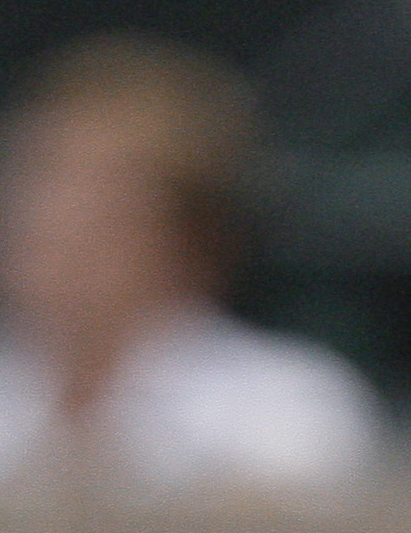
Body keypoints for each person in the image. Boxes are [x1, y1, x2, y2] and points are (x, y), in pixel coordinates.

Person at [0, 35, 381, 502]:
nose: (46, 216)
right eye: (35, 178)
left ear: (189, 231)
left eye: (97, 190)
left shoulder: (290, 403)